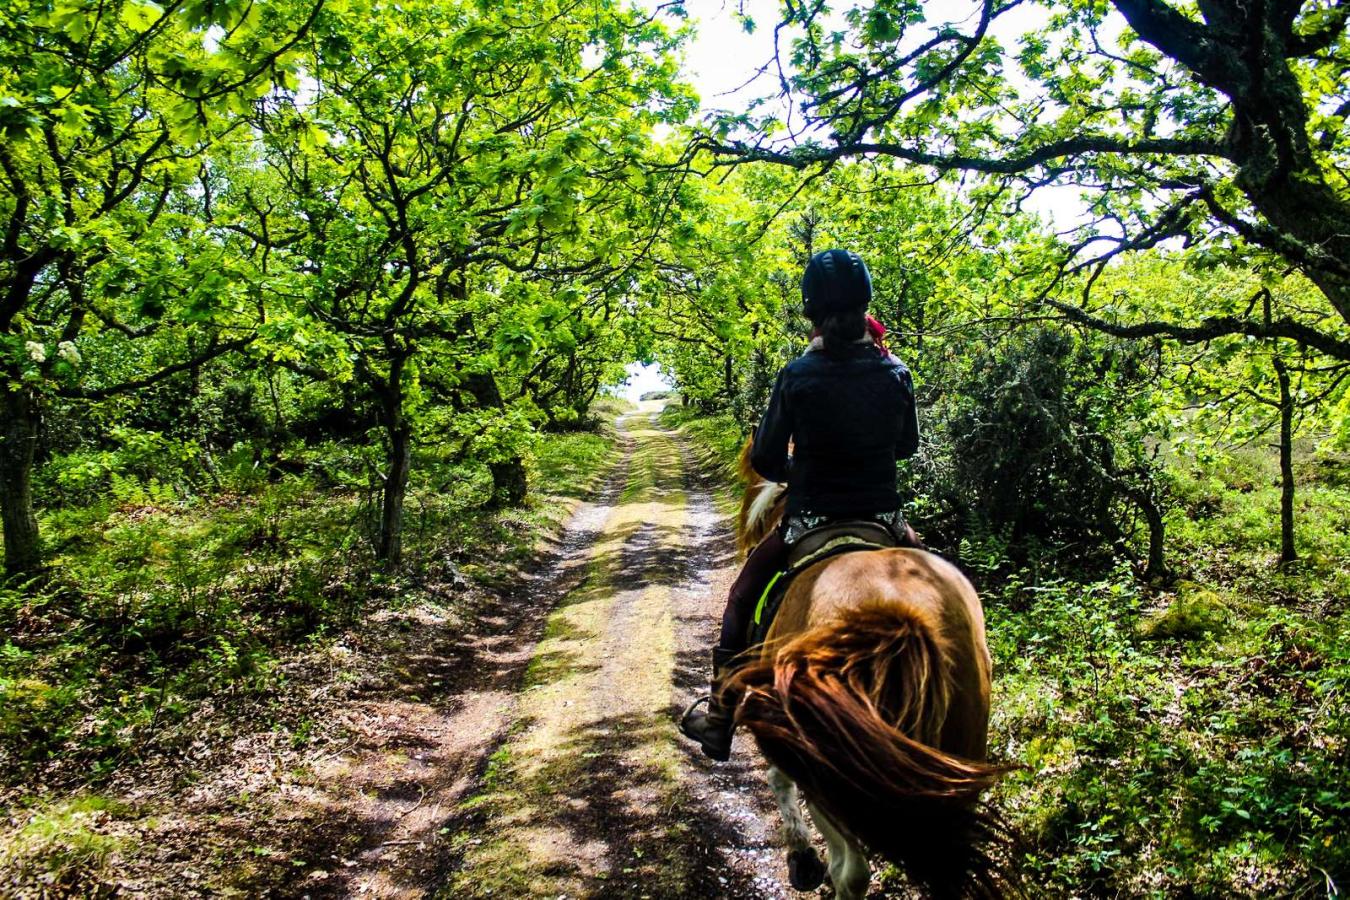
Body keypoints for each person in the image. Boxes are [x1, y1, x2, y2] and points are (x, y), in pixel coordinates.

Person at [678, 248, 921, 761]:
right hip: (885, 519)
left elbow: (765, 458)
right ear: (865, 305)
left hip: (809, 519)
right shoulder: (895, 371)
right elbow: (906, 448)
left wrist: (804, 468)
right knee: (950, 580)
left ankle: (720, 716)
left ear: (811, 312)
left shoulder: (797, 374)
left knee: (743, 597)